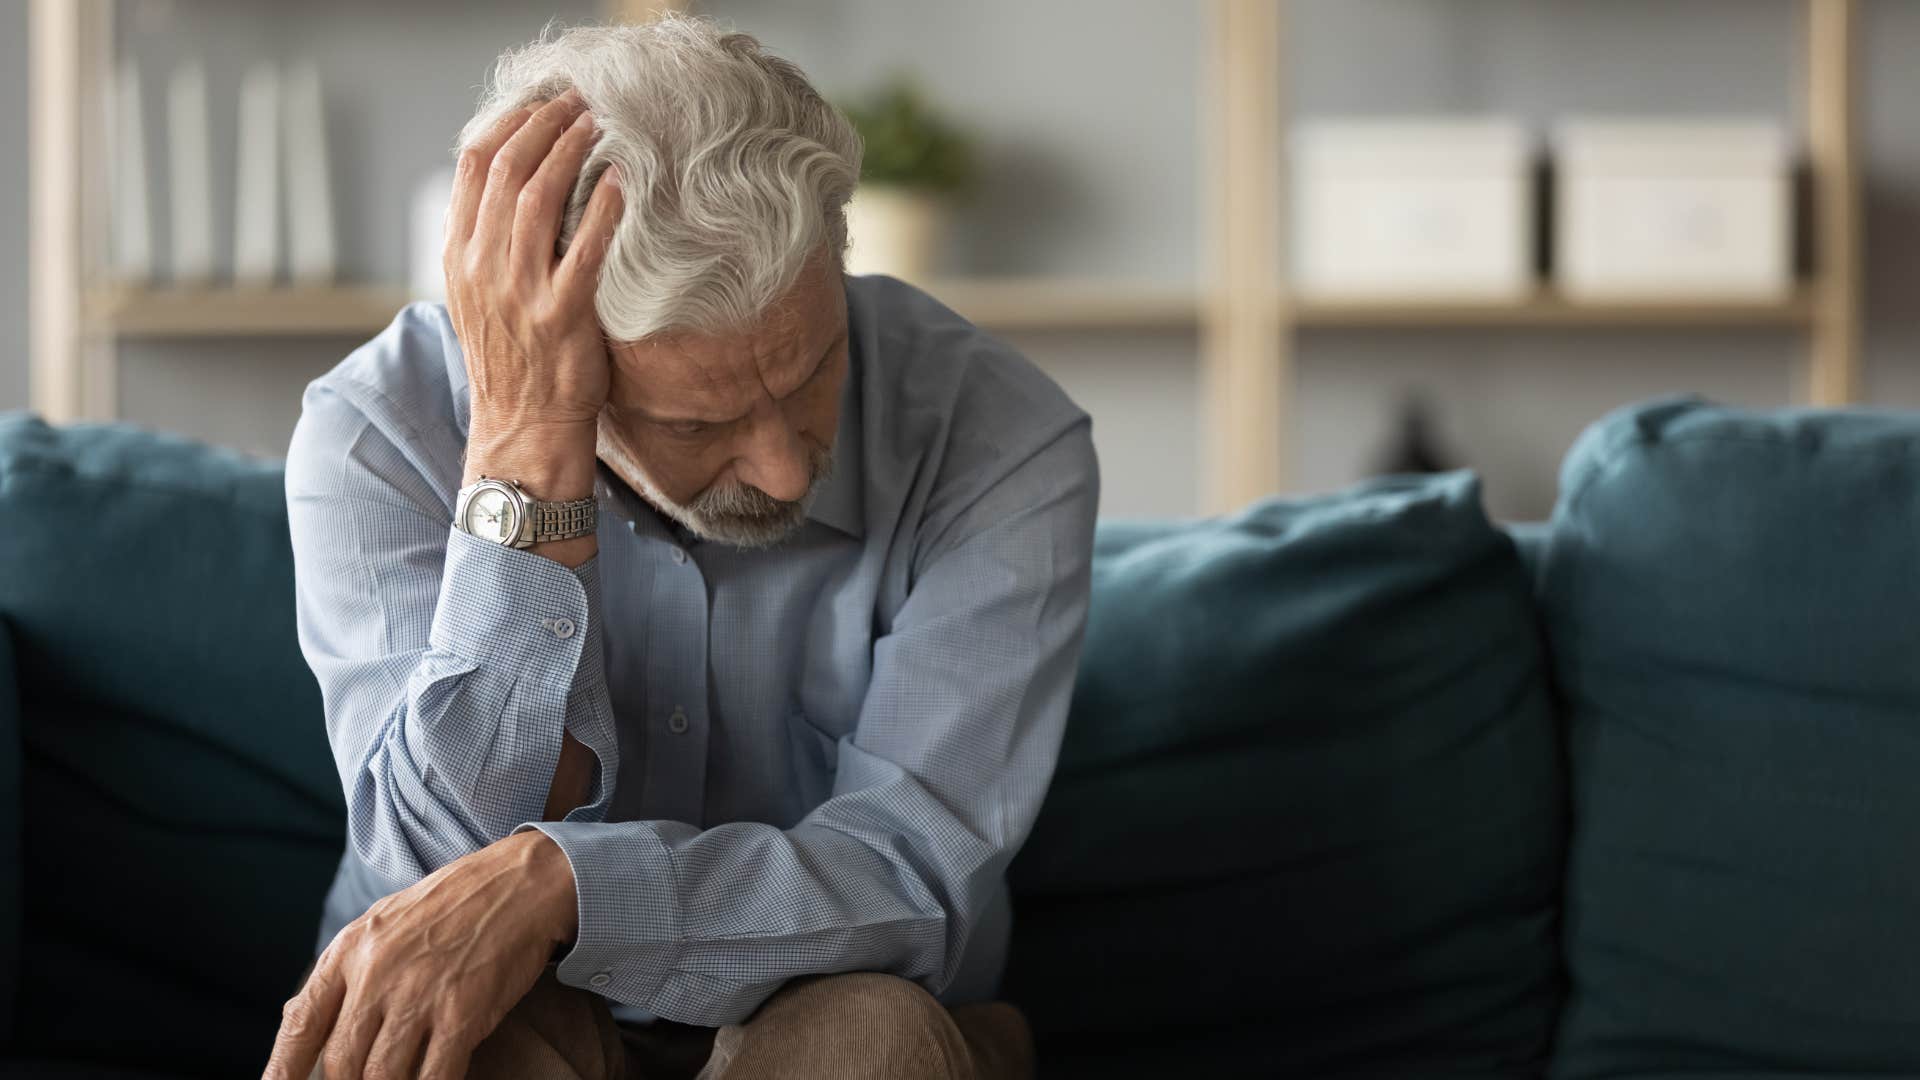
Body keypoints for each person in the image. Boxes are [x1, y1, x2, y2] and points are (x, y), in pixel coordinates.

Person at [265, 13, 1098, 1080]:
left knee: (873, 1042)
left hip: (844, 1008)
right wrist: (526, 458)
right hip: (503, 1018)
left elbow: (912, 875)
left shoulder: (1000, 435)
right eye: (698, 426)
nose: (789, 471)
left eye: (809, 373)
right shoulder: (378, 433)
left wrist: (568, 887)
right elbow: (435, 880)